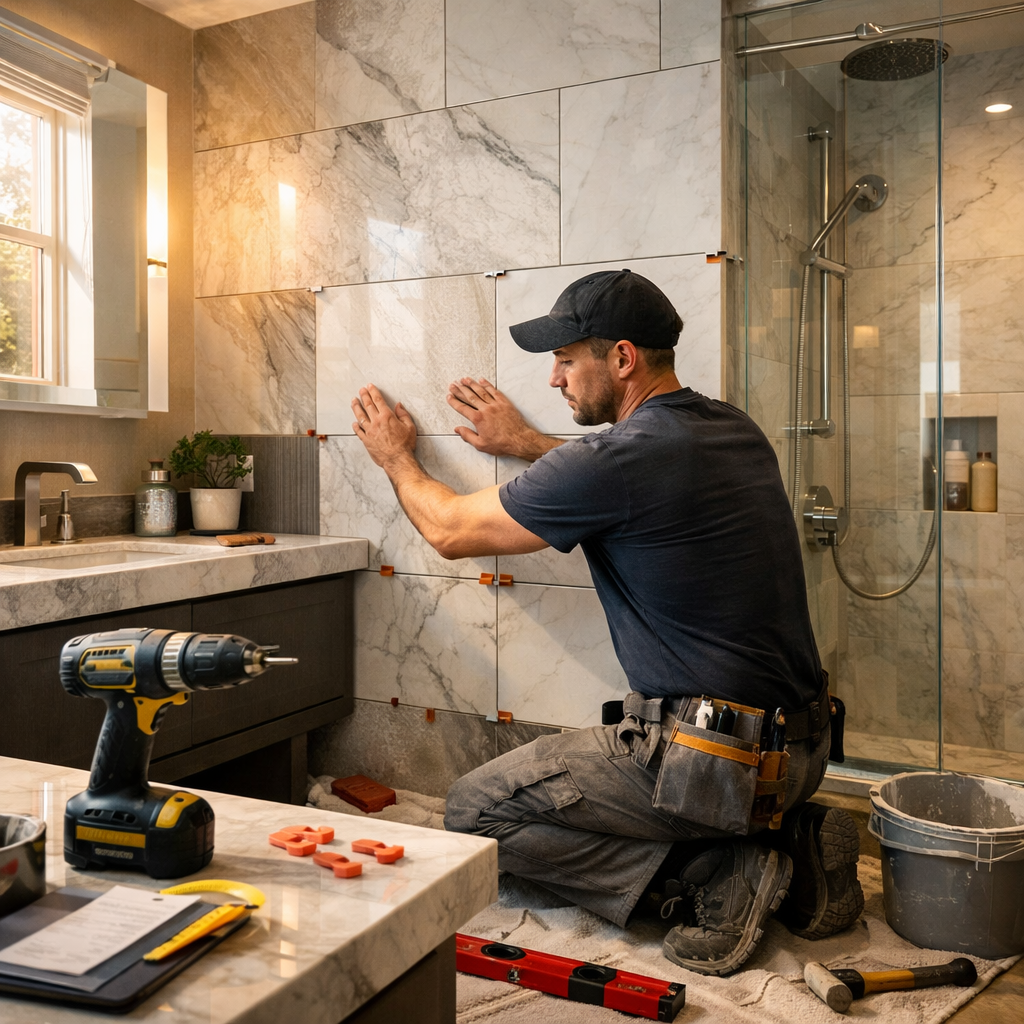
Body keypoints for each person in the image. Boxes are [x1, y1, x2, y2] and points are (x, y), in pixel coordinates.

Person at [350, 269, 863, 975]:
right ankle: (787, 843)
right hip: (797, 753)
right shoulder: (728, 430)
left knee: (474, 812)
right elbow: (626, 481)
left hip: (709, 765)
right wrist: (529, 443)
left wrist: (396, 458)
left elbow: (447, 528)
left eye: (566, 359)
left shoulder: (617, 461)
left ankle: (712, 877)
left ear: (622, 358)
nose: (555, 378)